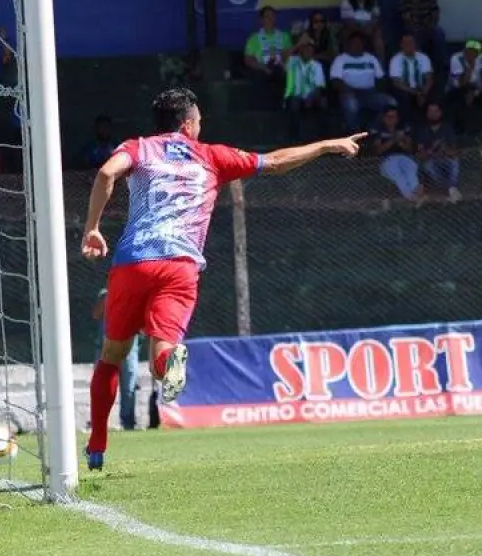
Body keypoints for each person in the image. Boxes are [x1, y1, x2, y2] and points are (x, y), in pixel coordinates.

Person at [79, 88, 364, 470]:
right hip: (179, 265)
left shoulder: (139, 147)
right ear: (188, 124)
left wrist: (92, 228)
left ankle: (97, 446)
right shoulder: (211, 156)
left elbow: (106, 173)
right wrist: (327, 145)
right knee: (161, 354)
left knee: (112, 356)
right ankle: (169, 360)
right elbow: (276, 162)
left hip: (134, 261)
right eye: (199, 120)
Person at [92, 288, 142, 430]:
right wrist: (108, 298)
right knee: (102, 386)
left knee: (129, 387)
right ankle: (98, 423)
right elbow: (96, 314)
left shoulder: (135, 293)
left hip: (129, 347)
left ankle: (128, 423)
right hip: (106, 347)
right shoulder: (105, 294)